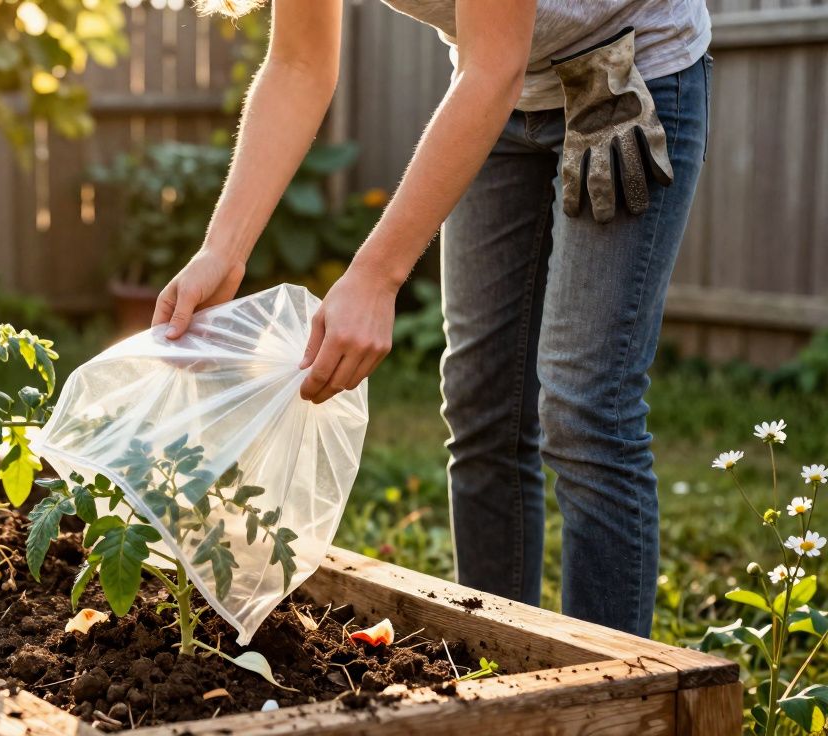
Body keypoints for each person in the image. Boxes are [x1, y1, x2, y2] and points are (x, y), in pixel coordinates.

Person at [151, 0, 711, 637]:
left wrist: (375, 275)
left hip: (625, 71)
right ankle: (497, 664)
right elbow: (300, 63)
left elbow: (493, 66)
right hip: (495, 92)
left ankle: (615, 695)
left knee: (584, 409)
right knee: (481, 406)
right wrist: (220, 252)